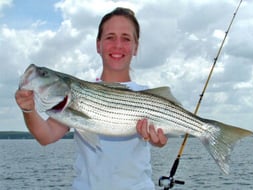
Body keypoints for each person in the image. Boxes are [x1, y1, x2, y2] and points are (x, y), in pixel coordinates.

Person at [15, 7, 168, 190]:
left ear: (135, 47)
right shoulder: (74, 97)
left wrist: (157, 140)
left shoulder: (148, 96)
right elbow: (45, 136)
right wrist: (28, 109)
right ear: (98, 45)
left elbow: (160, 139)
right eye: (110, 37)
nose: (118, 45)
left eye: (126, 38)